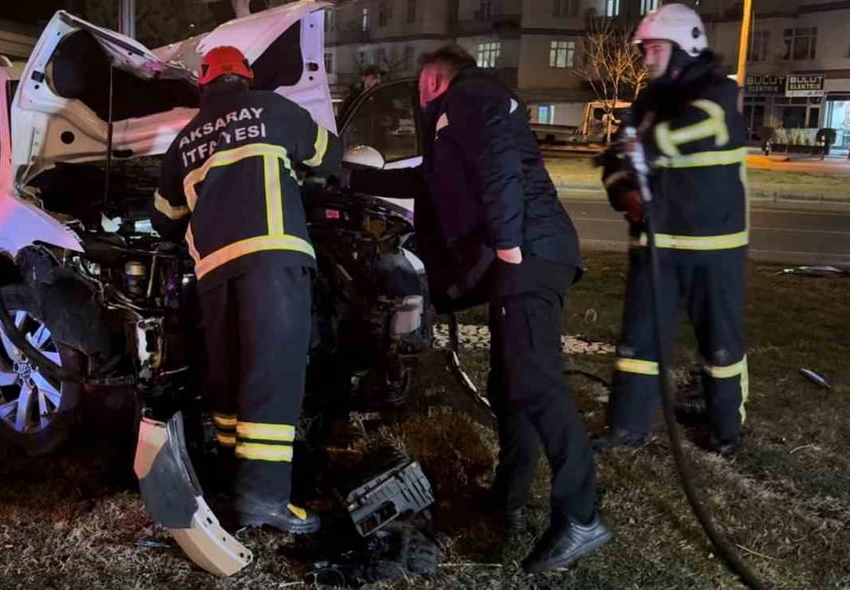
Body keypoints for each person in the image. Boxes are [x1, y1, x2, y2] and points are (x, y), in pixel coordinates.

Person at [346, 45, 611, 572]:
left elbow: (500, 164)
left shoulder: (472, 95)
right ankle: (509, 496)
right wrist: (348, 177)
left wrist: (510, 243)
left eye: (423, 81)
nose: (418, 92)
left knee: (534, 381)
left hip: (529, 254)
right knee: (508, 382)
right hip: (519, 258)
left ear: (439, 76)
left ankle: (581, 516)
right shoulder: (452, 123)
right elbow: (424, 181)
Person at [150, 45, 343, 534]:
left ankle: (233, 483)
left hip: (214, 271)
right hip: (273, 257)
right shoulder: (274, 108)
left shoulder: (185, 141)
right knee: (271, 377)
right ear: (246, 77)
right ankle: (265, 502)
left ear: (203, 84)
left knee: (231, 377)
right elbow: (330, 155)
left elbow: (164, 220)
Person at [593, 4, 749, 457]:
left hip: (713, 245)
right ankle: (626, 428)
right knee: (639, 341)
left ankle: (725, 434)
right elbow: (614, 161)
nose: (646, 59)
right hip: (655, 244)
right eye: (644, 50)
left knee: (720, 345)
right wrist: (623, 193)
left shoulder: (716, 93)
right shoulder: (646, 103)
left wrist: (648, 145)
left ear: (685, 47)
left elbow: (703, 128)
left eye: (654, 49)